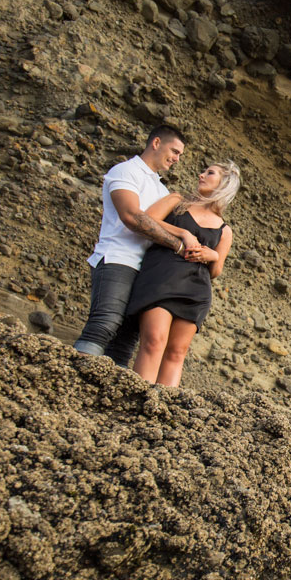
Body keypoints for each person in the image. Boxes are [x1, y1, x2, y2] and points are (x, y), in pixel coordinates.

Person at [74, 125, 201, 363]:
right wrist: (179, 245)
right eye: (174, 151)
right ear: (155, 143)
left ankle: (106, 396)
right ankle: (70, 381)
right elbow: (132, 216)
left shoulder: (161, 189)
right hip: (117, 259)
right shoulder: (125, 171)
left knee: (125, 341)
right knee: (105, 323)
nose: (176, 159)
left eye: (180, 155)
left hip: (145, 272)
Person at [126, 161, 239, 386]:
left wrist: (213, 256)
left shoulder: (225, 230)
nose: (201, 174)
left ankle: (164, 409)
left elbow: (216, 272)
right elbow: (146, 219)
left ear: (224, 184)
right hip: (160, 278)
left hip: (195, 291)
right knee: (154, 342)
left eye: (210, 173)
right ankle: (137, 397)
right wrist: (184, 233)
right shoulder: (178, 201)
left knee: (177, 353)